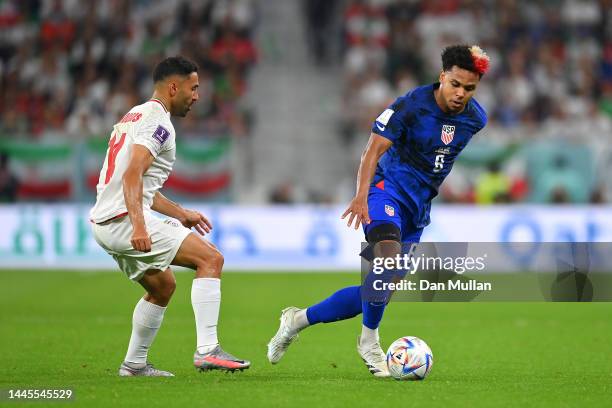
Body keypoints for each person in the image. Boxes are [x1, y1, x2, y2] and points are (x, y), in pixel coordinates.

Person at [267, 45, 489, 377]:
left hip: (418, 208)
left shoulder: (475, 119)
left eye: (469, 88)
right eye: (455, 84)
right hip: (386, 192)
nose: (460, 93)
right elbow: (373, 149)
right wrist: (361, 196)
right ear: (442, 77)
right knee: (386, 259)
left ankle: (297, 320)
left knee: (377, 288)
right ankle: (369, 343)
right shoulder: (411, 105)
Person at [90, 56, 250, 377]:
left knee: (163, 285)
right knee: (211, 259)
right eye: (193, 88)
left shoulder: (134, 115)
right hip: (124, 219)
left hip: (103, 223)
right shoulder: (158, 122)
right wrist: (138, 224)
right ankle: (208, 350)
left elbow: (143, 184)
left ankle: (134, 364)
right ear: (173, 87)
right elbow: (132, 176)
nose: (197, 96)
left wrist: (182, 213)